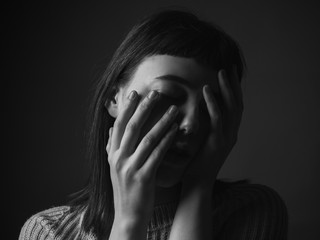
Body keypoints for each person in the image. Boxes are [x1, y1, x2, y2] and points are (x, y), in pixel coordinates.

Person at [19, 10, 288, 240]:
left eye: (211, 107)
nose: (191, 124)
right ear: (114, 97)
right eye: (168, 95)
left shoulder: (253, 213)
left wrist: (198, 187)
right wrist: (129, 221)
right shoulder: (49, 232)